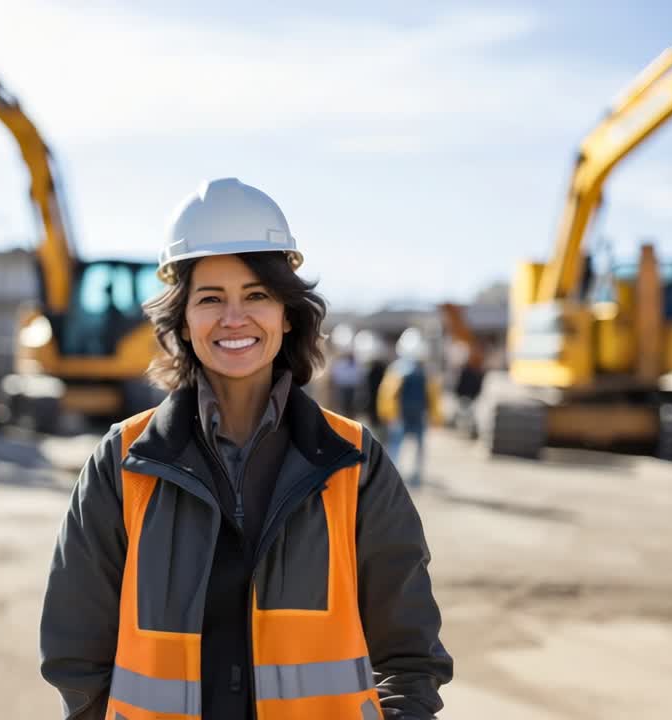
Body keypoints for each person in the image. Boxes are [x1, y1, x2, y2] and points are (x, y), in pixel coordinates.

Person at [40, 178, 452, 719]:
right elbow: (76, 653)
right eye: (211, 298)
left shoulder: (355, 461)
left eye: (256, 295)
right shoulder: (122, 463)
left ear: (287, 312)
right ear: (183, 320)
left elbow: (409, 656)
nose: (234, 318)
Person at [378, 328, 432, 487]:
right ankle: (393, 477)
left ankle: (416, 476)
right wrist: (390, 414)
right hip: (401, 416)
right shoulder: (398, 369)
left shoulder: (423, 370)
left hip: (418, 415)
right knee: (396, 446)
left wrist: (433, 414)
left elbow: (430, 394)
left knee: (417, 448)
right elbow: (388, 395)